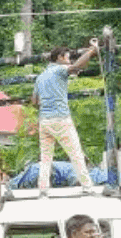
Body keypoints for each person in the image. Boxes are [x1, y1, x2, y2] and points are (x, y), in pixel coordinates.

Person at [32, 40, 97, 192]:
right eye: (67, 57)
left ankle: (43, 188)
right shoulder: (60, 70)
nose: (68, 61)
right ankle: (87, 186)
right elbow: (76, 67)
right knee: (75, 153)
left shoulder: (40, 77)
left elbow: (34, 101)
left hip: (44, 121)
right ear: (60, 58)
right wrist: (91, 52)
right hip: (61, 118)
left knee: (45, 157)